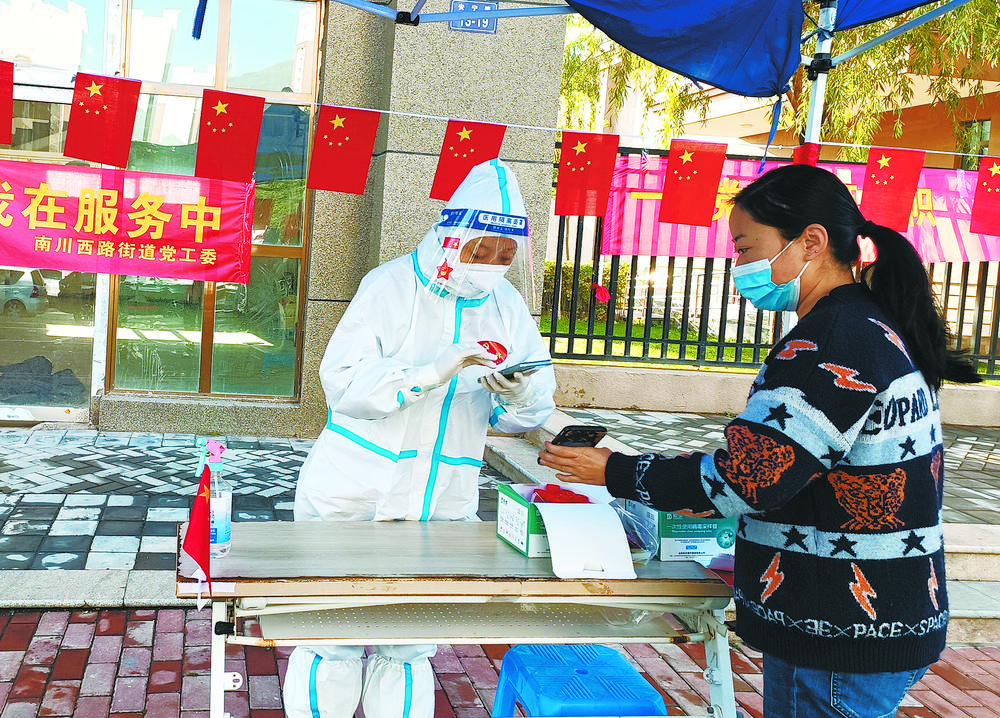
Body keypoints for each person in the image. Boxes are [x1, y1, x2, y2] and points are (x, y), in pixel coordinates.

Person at [538, 163, 980, 718]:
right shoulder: (869, 324)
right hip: (884, 614)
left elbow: (748, 479)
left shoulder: (830, 340)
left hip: (837, 630)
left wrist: (614, 471)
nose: (738, 266)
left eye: (746, 248)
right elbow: (804, 465)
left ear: (811, 242)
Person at [283, 158, 557, 718]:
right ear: (453, 235)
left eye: (505, 255)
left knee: (407, 642)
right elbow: (343, 384)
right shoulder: (390, 286)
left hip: (441, 501)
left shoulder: (506, 305)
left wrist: (518, 392)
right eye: (482, 249)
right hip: (353, 492)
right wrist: (427, 374)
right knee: (331, 634)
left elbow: (531, 409)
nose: (492, 265)